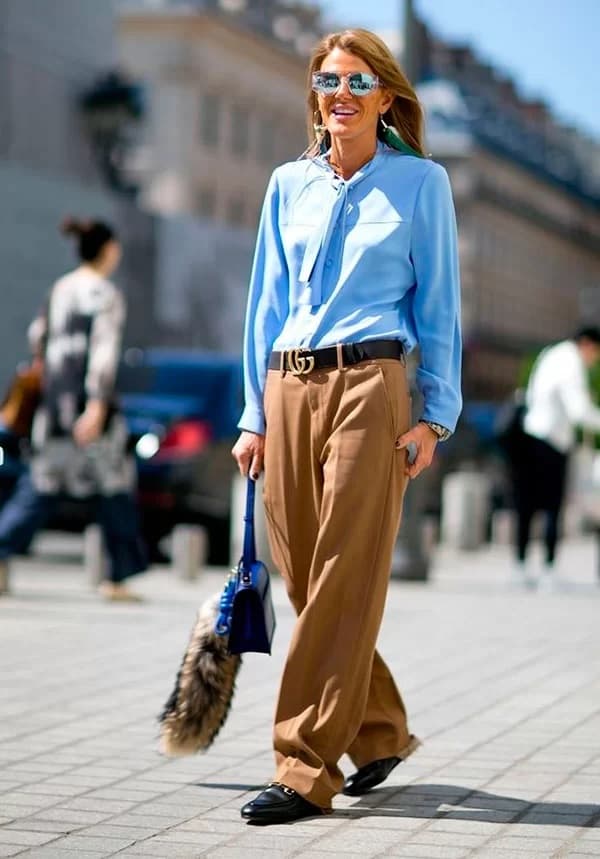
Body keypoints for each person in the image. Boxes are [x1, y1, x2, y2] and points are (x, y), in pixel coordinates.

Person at [231, 28, 462, 825]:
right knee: (306, 574)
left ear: (386, 98)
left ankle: (302, 765)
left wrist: (435, 414)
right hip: (289, 384)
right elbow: (264, 302)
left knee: (343, 570)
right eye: (328, 81)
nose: (340, 95)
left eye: (358, 83)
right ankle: (381, 727)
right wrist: (254, 412)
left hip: (374, 382)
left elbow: (438, 308)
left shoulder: (421, 184)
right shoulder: (286, 184)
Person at [0, 218, 147, 600]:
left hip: (53, 410)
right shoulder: (105, 294)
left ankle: (0, 552)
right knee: (114, 489)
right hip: (87, 411)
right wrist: (97, 404)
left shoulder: (59, 289)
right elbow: (103, 351)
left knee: (41, 487)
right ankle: (117, 578)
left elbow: (38, 339)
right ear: (108, 250)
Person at [510, 327, 600, 590]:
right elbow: (579, 410)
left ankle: (521, 566)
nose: (593, 360)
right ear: (587, 344)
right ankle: (549, 570)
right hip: (551, 442)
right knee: (552, 507)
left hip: (531, 433)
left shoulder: (552, 354)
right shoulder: (571, 361)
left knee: (526, 505)